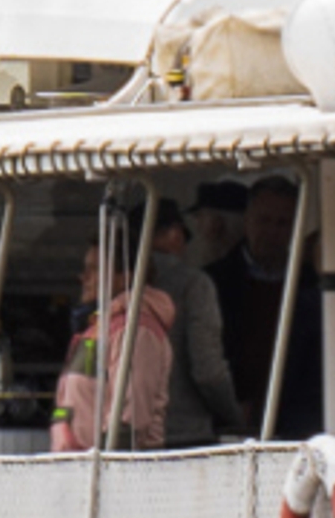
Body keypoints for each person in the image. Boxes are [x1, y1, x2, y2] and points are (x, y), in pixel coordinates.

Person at [217, 175, 324, 443]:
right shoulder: (216, 281)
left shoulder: (311, 284)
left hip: (296, 422)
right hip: (234, 420)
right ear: (247, 220)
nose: (272, 232)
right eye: (263, 220)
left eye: (282, 223)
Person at [52, 235, 180, 451]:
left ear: (125, 277)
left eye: (94, 269)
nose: (84, 277)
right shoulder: (99, 328)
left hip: (116, 473)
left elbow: (131, 420)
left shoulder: (137, 331)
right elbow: (69, 399)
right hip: (79, 468)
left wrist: (105, 470)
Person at [139, 193, 248, 447]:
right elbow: (208, 371)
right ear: (176, 235)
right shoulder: (193, 284)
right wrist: (234, 416)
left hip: (123, 436)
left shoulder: (111, 281)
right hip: (185, 434)